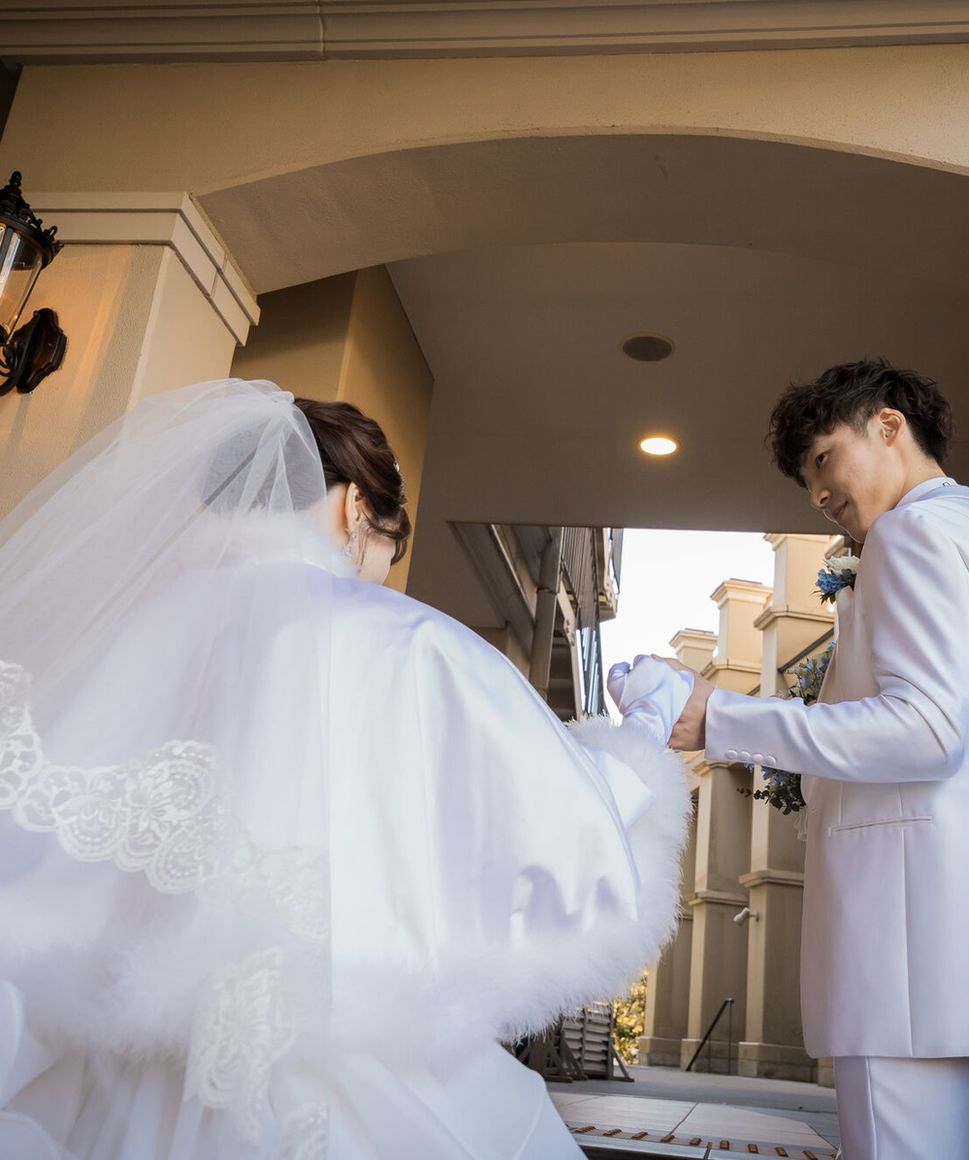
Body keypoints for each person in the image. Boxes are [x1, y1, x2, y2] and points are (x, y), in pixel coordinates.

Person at [0, 378, 692, 1160]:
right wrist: (647, 725)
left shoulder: (133, 636)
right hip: (357, 1072)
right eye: (389, 549)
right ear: (356, 507)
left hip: (122, 1074)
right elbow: (562, 827)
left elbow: (39, 859)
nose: (383, 572)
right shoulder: (412, 642)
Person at [610, 358, 969, 1160]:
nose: (817, 495)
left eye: (823, 459)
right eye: (806, 481)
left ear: (889, 426)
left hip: (920, 950)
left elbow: (927, 728)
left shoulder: (913, 533)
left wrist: (717, 715)